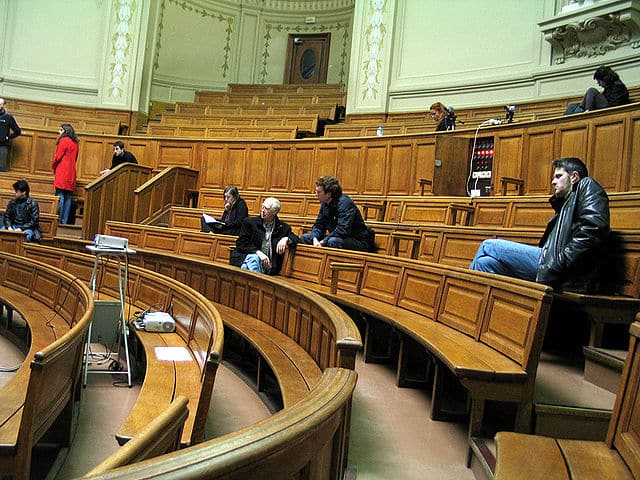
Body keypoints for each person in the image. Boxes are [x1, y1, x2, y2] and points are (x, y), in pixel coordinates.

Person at [469, 157, 609, 294]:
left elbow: (594, 228)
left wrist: (561, 260)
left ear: (574, 176)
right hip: (553, 262)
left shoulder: (587, 185)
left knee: (489, 246)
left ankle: (462, 301)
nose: (553, 182)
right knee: (484, 263)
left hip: (564, 269)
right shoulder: (565, 204)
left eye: (558, 176)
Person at [300, 175, 373, 252]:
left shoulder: (345, 203)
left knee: (333, 241)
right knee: (306, 238)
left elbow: (342, 230)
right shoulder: (325, 203)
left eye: (318, 192)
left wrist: (323, 241)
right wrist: (315, 238)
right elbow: (319, 225)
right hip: (337, 236)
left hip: (357, 240)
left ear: (328, 194)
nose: (315, 194)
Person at [230, 197, 298, 275]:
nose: (262, 210)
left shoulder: (282, 228)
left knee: (245, 268)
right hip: (246, 258)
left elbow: (296, 239)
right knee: (254, 259)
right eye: (262, 207)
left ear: (274, 212)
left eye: (266, 209)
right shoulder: (250, 223)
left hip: (268, 267)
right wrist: (258, 253)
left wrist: (286, 239)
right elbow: (241, 243)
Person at [51, 124, 78, 225]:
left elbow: (58, 157)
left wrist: (53, 166)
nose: (59, 132)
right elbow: (75, 159)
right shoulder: (75, 143)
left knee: (60, 195)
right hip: (71, 171)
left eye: (61, 130)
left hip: (62, 170)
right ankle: (64, 221)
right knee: (68, 197)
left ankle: (58, 219)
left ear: (65, 131)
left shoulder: (63, 141)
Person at [0, 98, 22, 172]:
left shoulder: (8, 117)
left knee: (1, 168)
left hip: (2, 146)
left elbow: (18, 131)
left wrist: (7, 137)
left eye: (0, 104)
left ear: (4, 105)